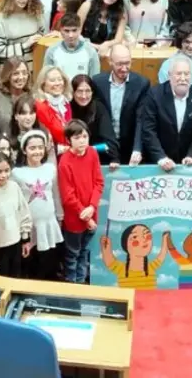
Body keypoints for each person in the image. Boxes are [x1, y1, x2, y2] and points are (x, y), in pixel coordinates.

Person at [134, 54, 192, 168]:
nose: (183, 78)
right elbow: (148, 130)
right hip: (158, 163)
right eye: (178, 74)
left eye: (186, 74)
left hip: (187, 163)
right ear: (169, 75)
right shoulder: (154, 94)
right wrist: (161, 157)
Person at [13, 130, 64, 280]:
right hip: (30, 226)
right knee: (32, 266)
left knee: (50, 264)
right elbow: (17, 203)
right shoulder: (17, 173)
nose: (37, 151)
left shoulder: (50, 169)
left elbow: (56, 194)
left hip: (49, 224)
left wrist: (60, 217)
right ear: (24, 150)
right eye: (32, 148)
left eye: (40, 147)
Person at [58, 120, 104, 283]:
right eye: (77, 137)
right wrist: (85, 215)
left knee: (85, 252)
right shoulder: (65, 161)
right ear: (69, 140)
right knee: (72, 254)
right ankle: (72, 284)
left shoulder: (92, 153)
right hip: (75, 219)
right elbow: (68, 195)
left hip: (91, 214)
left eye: (85, 136)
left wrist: (92, 207)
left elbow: (99, 182)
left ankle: (81, 282)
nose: (82, 141)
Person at [90, 44, 151, 164]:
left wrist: (137, 148)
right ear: (110, 62)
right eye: (119, 64)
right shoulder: (98, 82)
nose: (124, 68)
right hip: (104, 146)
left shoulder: (142, 84)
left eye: (127, 63)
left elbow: (141, 119)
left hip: (130, 147)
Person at [0, 151, 31, 277]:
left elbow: (23, 213)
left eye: (7, 170)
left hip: (15, 243)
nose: (3, 175)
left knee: (16, 279)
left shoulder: (14, 187)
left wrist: (25, 239)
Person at [0, 0, 46, 64]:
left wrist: (40, 37)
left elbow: (42, 33)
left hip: (33, 65)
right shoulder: (1, 18)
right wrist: (25, 45)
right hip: (11, 68)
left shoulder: (35, 14)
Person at [68, 74, 117, 161]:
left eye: (87, 91)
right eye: (79, 91)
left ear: (92, 92)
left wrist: (87, 149)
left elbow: (110, 143)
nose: (84, 96)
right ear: (73, 92)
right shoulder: (67, 108)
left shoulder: (99, 108)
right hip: (71, 158)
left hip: (96, 158)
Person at [43, 12, 100, 82]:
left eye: (74, 30)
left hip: (82, 92)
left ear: (80, 30)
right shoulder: (52, 50)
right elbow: (46, 78)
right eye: (66, 31)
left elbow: (94, 81)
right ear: (61, 30)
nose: (71, 35)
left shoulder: (91, 51)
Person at [33, 65, 73, 149]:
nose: (57, 83)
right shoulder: (40, 106)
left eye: (60, 79)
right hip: (51, 153)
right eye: (52, 80)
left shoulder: (65, 103)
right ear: (43, 84)